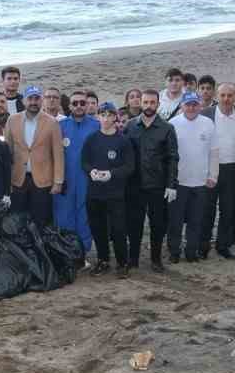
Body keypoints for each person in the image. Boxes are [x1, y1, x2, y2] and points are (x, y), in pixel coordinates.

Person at [126, 90, 178, 273]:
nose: (149, 106)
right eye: (146, 102)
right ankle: (133, 259)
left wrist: (171, 184)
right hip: (135, 186)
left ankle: (156, 259)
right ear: (141, 103)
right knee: (134, 224)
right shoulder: (130, 126)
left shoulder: (167, 128)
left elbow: (172, 158)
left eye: (152, 102)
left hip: (158, 186)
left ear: (158, 104)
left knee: (158, 225)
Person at [81, 101, 136, 276]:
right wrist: (92, 171)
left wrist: (111, 174)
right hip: (95, 193)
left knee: (118, 229)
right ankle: (103, 260)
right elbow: (84, 162)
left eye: (109, 115)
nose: (106, 119)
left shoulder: (123, 140)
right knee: (98, 229)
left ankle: (122, 263)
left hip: (115, 193)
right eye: (102, 115)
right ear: (98, 117)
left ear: (115, 117)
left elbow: (129, 166)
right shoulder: (91, 139)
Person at [167, 93, 218, 262]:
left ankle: (191, 252)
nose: (191, 108)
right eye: (188, 104)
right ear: (182, 106)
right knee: (175, 221)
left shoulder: (208, 123)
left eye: (195, 104)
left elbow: (214, 152)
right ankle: (174, 252)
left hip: (201, 182)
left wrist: (213, 175)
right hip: (178, 182)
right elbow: (167, 155)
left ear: (200, 106)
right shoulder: (173, 124)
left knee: (196, 221)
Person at [4, 87, 65, 228]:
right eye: (30, 98)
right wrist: (6, 181)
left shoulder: (52, 122)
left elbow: (58, 153)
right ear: (24, 100)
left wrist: (58, 181)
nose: (33, 102)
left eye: (37, 98)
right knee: (17, 220)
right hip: (18, 179)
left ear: (41, 101)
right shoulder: (12, 120)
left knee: (41, 221)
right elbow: (7, 152)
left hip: (43, 181)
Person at [202, 81, 235, 259]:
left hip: (232, 169)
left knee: (228, 209)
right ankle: (203, 244)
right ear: (217, 97)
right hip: (211, 168)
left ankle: (223, 245)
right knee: (207, 209)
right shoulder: (206, 114)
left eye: (230, 95)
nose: (226, 99)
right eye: (223, 95)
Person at [54, 92, 98, 253]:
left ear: (87, 105)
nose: (79, 106)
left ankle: (83, 252)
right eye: (75, 103)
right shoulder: (60, 126)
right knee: (63, 216)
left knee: (84, 216)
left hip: (87, 179)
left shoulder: (96, 125)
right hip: (65, 179)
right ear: (69, 106)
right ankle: (66, 252)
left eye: (82, 103)